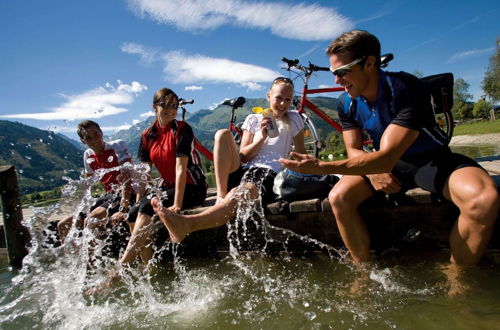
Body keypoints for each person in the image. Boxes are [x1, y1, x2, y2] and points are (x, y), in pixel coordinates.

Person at [280, 30, 499, 266]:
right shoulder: (345, 102)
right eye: (334, 73)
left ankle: (459, 278)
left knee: (483, 200)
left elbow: (386, 156)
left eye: (342, 72)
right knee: (339, 197)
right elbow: (354, 149)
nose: (336, 80)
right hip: (383, 164)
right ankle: (363, 271)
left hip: (429, 161)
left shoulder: (406, 88)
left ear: (370, 63)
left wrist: (321, 167)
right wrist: (373, 171)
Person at [150, 77, 306, 244]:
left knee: (240, 192)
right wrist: (261, 138)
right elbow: (243, 156)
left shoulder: (294, 118)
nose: (283, 104)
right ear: (269, 95)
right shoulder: (254, 119)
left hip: (269, 173)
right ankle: (221, 195)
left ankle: (188, 224)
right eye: (279, 98)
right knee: (222, 134)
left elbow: (302, 154)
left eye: (288, 99)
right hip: (246, 169)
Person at [117, 87, 207, 265]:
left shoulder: (182, 128)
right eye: (165, 105)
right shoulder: (147, 135)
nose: (171, 109)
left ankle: (122, 266)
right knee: (133, 213)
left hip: (192, 187)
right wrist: (137, 199)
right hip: (168, 187)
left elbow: (181, 168)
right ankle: (147, 265)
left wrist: (177, 205)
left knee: (148, 207)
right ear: (154, 106)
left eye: (174, 105)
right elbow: (145, 172)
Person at [57, 120, 134, 243]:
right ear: (83, 141)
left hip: (129, 193)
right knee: (63, 225)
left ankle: (91, 261)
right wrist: (80, 209)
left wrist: (123, 209)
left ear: (102, 133)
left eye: (96, 135)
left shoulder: (118, 145)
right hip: (110, 196)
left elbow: (127, 178)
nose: (94, 140)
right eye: (88, 138)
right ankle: (73, 260)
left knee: (91, 220)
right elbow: (88, 184)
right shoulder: (88, 155)